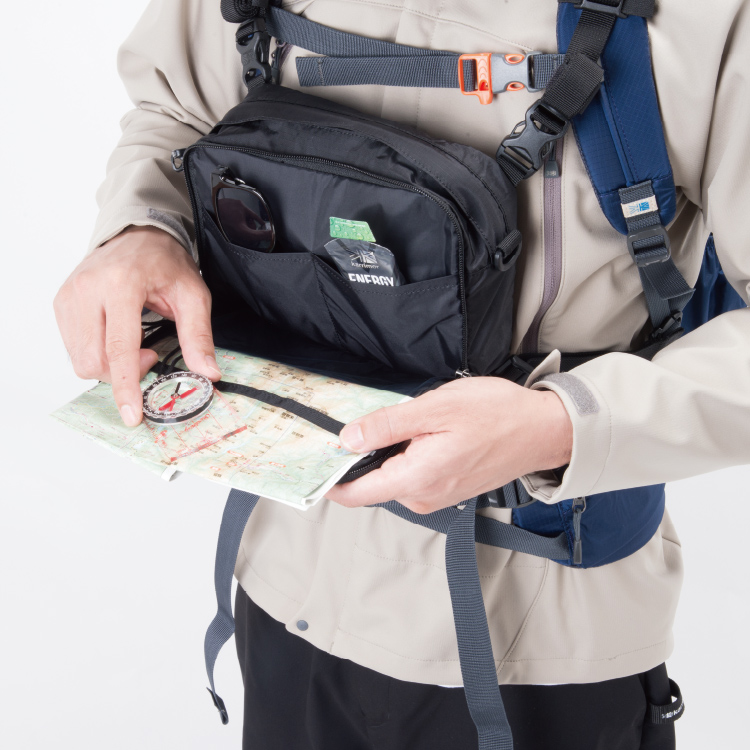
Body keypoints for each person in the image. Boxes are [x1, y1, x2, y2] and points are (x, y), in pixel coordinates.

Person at [53, 1, 750, 748]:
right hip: (289, 586)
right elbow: (177, 108)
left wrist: (560, 425)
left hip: (543, 641)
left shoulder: (710, 18)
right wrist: (138, 229)